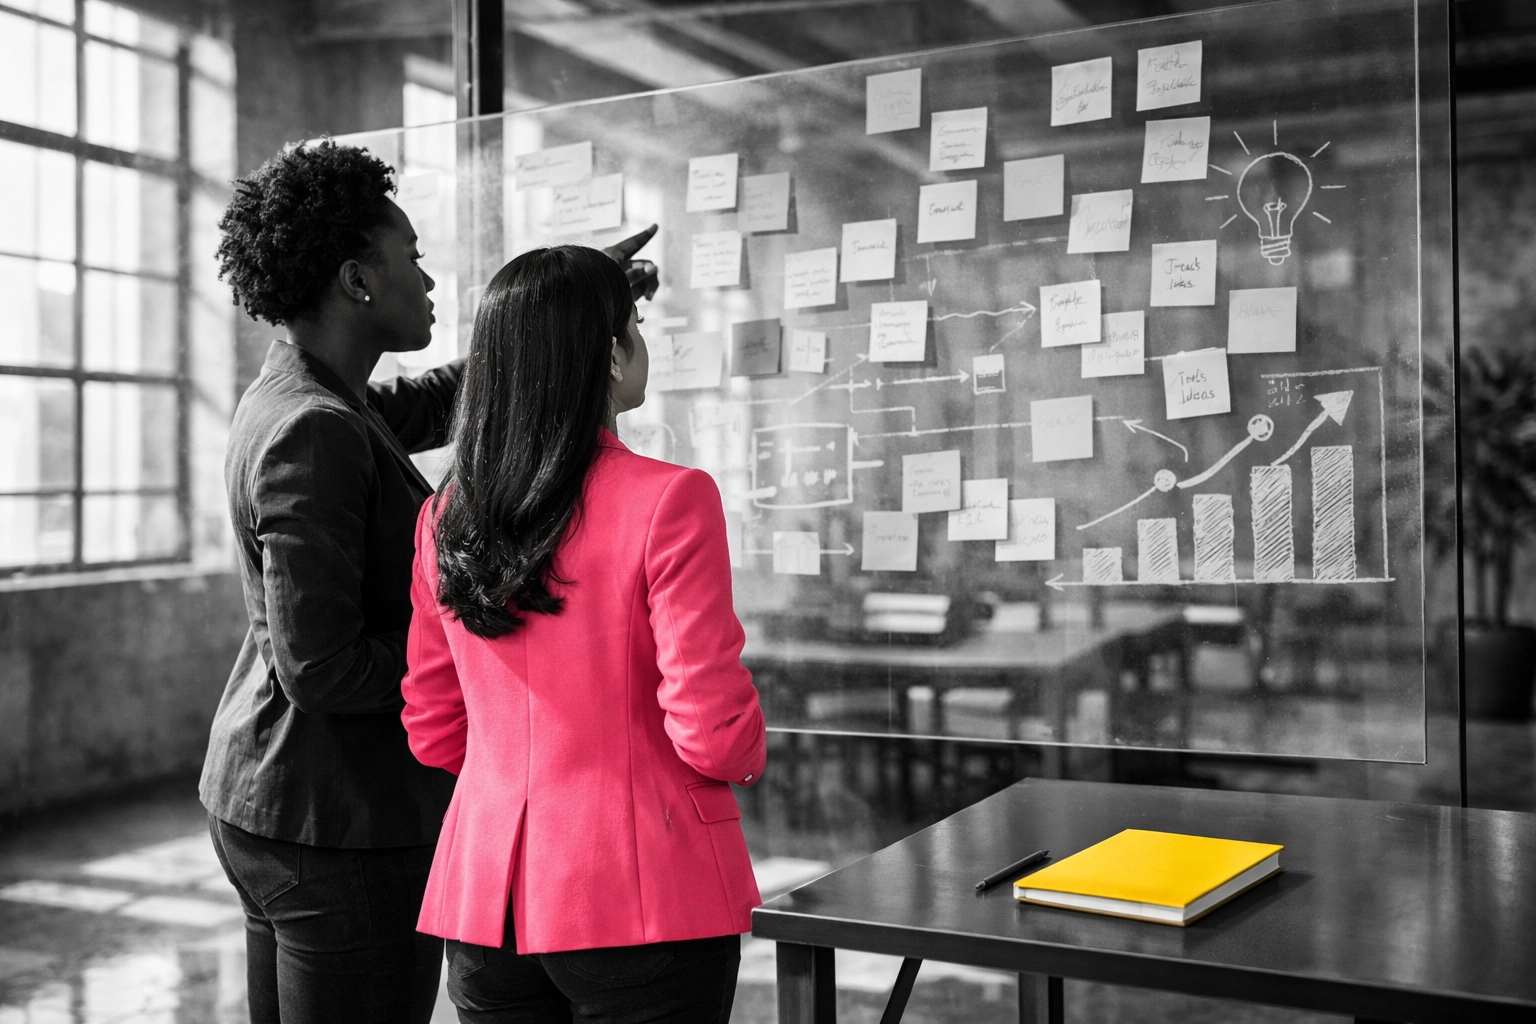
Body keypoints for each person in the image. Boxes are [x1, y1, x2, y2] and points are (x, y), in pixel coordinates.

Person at [201, 140, 659, 1023]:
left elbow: (442, 396)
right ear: (357, 281)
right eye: (410, 255)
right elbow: (321, 667)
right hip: (335, 819)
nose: (429, 275)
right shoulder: (314, 427)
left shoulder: (314, 395)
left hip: (274, 800)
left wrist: (565, 306)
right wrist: (473, 654)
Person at [400, 244, 765, 1024]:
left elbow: (433, 729)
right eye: (636, 325)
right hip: (645, 897)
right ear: (612, 353)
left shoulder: (443, 518)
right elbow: (712, 734)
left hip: (488, 900)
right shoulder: (672, 499)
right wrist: (747, 750)